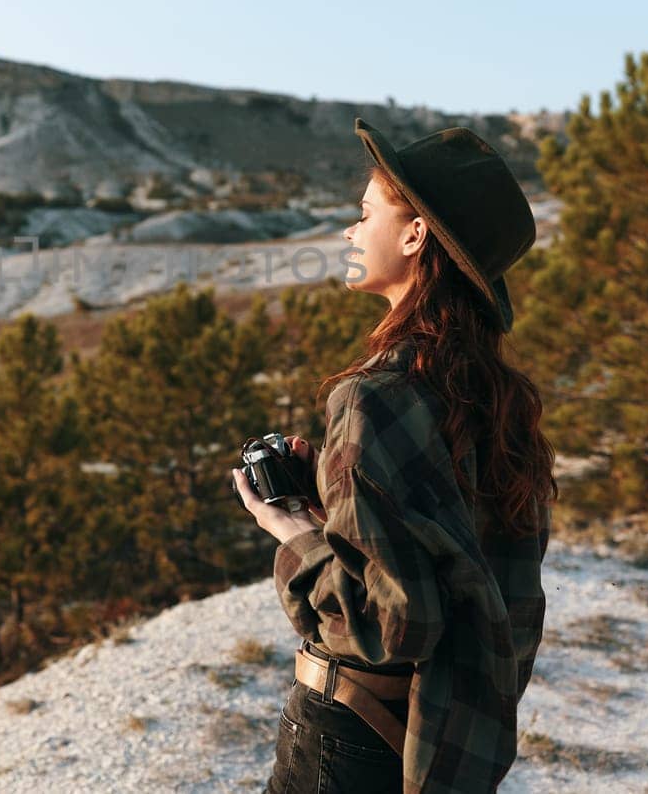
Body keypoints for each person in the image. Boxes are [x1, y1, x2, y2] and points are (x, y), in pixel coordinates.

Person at [233, 116, 557, 793]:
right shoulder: (503, 403)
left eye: (365, 213)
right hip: (438, 736)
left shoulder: (373, 397)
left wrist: (292, 530)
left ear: (414, 235)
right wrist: (340, 507)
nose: (351, 232)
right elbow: (462, 572)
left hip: (347, 737)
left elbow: (389, 621)